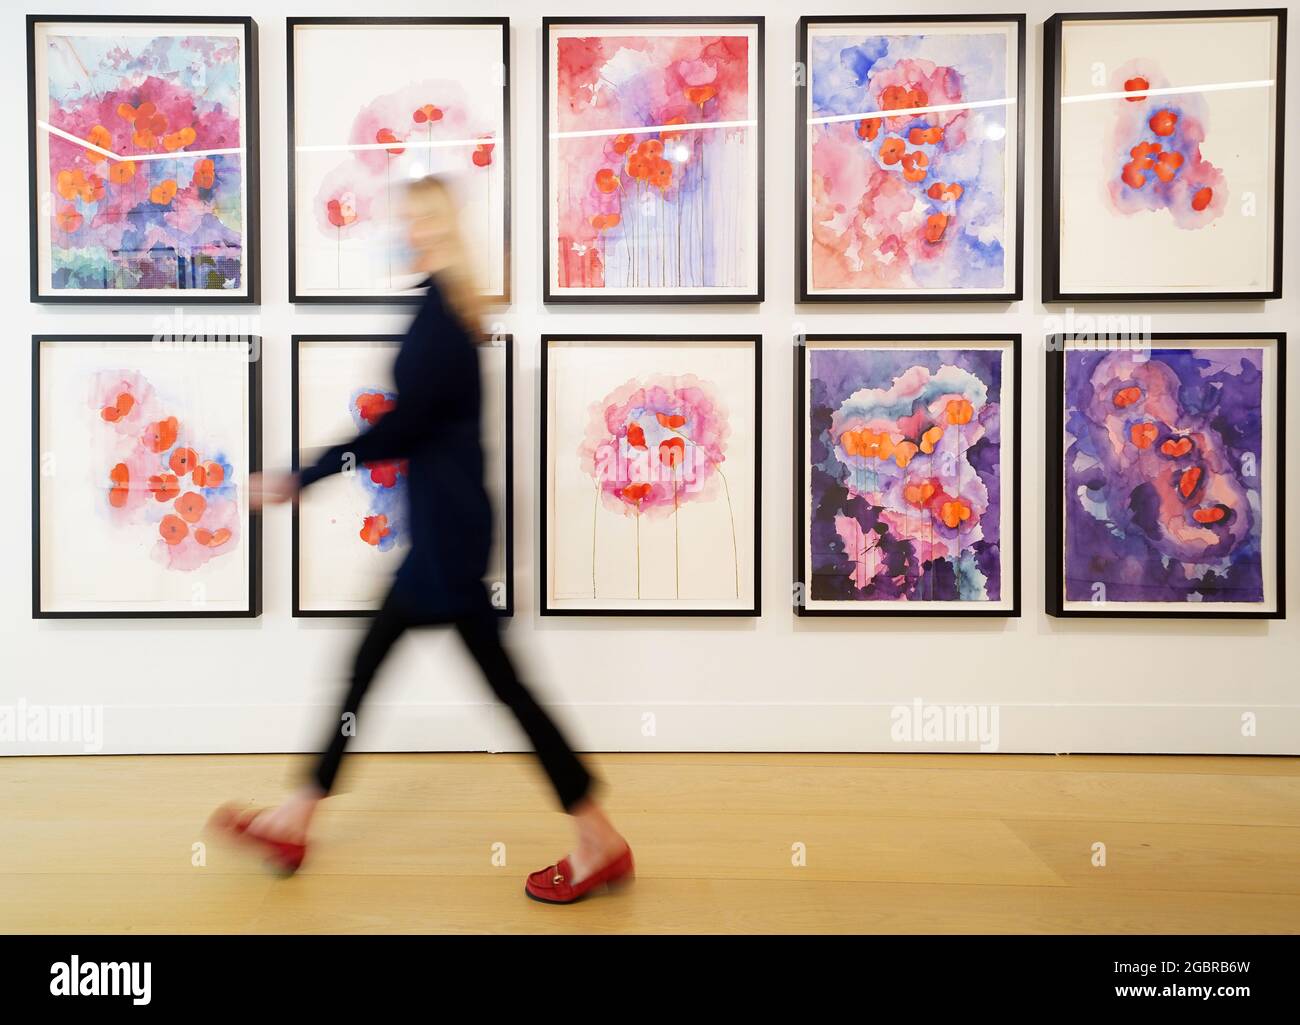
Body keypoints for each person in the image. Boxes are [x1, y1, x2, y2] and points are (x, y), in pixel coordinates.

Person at [212, 176, 632, 904]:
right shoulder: (442, 305)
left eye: (421, 221)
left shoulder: (441, 317)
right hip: (446, 534)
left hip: (449, 543)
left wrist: (300, 475)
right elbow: (416, 428)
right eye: (406, 221)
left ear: (441, 227)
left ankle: (599, 837)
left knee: (493, 687)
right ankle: (296, 814)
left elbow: (399, 429)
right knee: (373, 668)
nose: (409, 232)